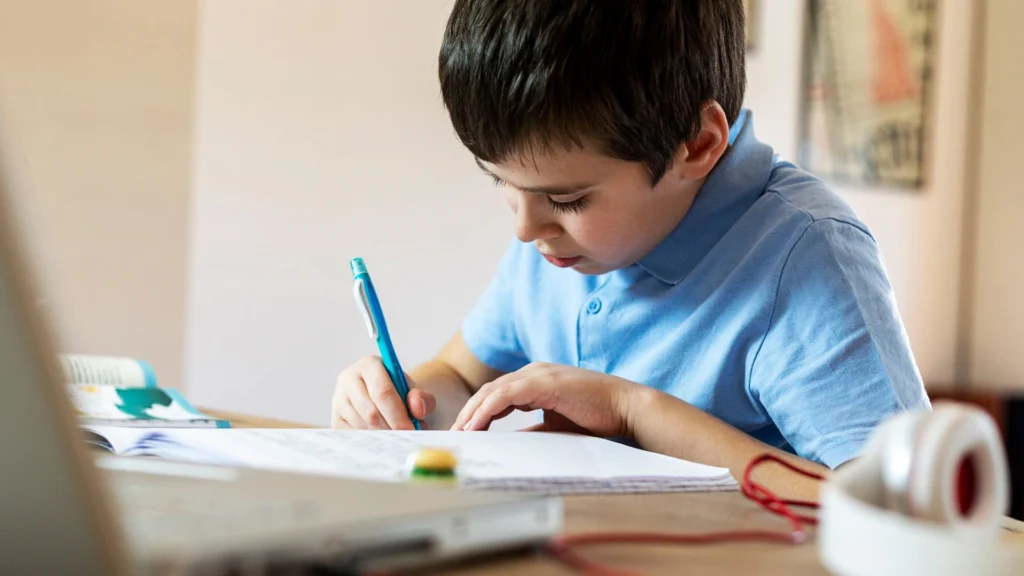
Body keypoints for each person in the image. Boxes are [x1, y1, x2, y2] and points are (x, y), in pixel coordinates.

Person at [331, 0, 930, 498]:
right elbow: (462, 372)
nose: (524, 228)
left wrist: (633, 412)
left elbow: (899, 507)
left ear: (696, 145)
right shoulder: (559, 244)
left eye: (565, 199)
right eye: (502, 184)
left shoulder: (804, 256)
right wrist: (400, 401)